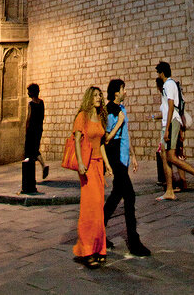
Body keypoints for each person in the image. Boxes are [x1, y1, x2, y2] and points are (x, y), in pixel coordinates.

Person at [103, 79, 150, 256]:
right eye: (123, 89)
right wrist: (119, 122)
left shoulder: (121, 109)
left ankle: (98, 232)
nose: (126, 92)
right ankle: (134, 242)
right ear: (116, 92)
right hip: (116, 160)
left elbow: (125, 135)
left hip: (124, 158)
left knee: (116, 196)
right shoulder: (110, 112)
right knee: (129, 196)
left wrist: (134, 155)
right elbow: (107, 139)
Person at [155, 61, 194, 200]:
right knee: (164, 155)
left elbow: (171, 106)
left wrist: (167, 129)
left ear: (162, 72)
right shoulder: (172, 84)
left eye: (158, 73)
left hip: (171, 122)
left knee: (171, 156)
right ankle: (169, 191)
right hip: (170, 122)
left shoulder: (168, 84)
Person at [72, 86, 113, 268]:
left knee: (98, 209)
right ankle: (87, 249)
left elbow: (102, 144)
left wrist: (108, 165)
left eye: (100, 95)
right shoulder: (83, 116)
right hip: (87, 167)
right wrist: (81, 163)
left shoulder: (100, 117)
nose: (99, 97)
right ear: (89, 98)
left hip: (98, 166)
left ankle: (99, 248)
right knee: (90, 209)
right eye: (95, 95)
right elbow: (77, 140)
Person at [22, 83, 48, 193]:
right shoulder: (41, 103)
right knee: (35, 149)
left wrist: (26, 129)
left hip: (32, 130)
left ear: (31, 92)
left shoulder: (31, 104)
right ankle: (43, 165)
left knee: (29, 152)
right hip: (39, 129)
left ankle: (31, 178)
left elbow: (29, 117)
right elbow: (42, 116)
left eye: (28, 91)